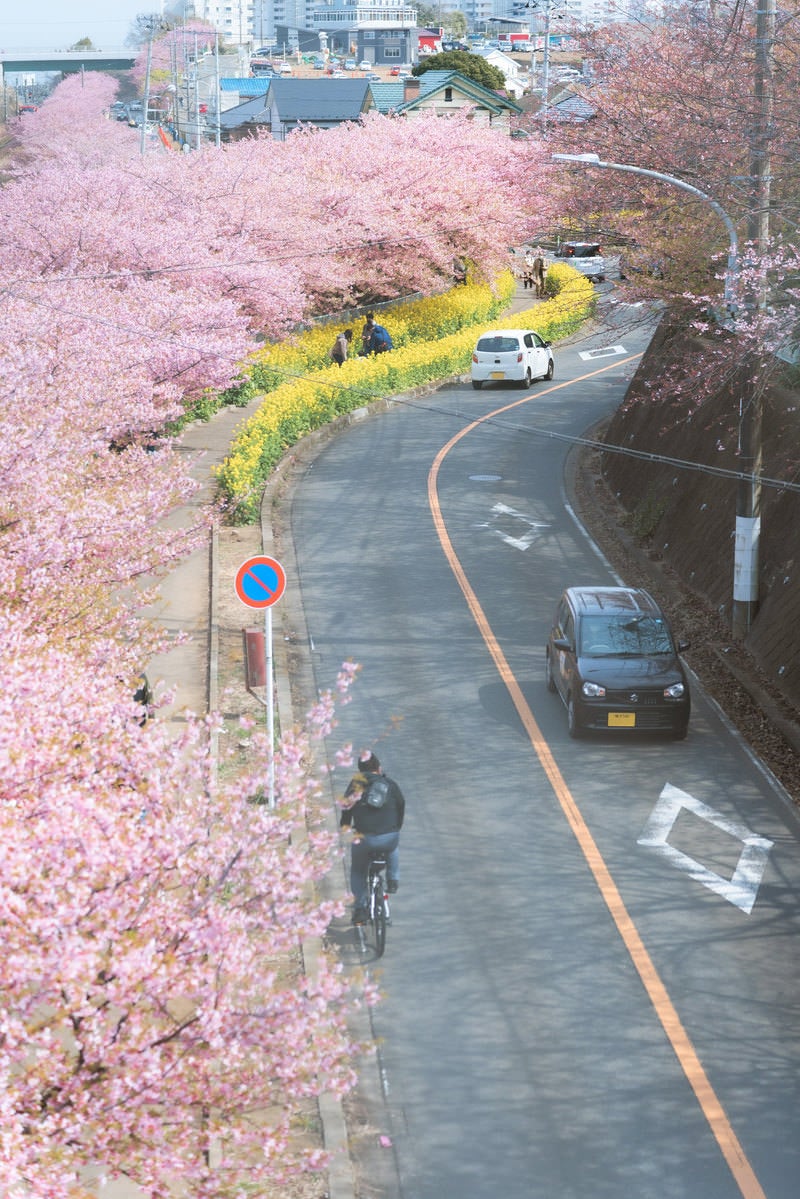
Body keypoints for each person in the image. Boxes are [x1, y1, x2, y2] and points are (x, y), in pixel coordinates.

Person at [340, 750, 405, 924]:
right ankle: (393, 879)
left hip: (364, 838)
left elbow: (346, 807)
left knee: (357, 870)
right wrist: (396, 827)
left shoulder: (356, 785)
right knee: (392, 846)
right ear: (378, 767)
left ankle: (360, 908)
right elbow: (401, 805)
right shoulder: (390, 784)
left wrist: (345, 826)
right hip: (389, 836)